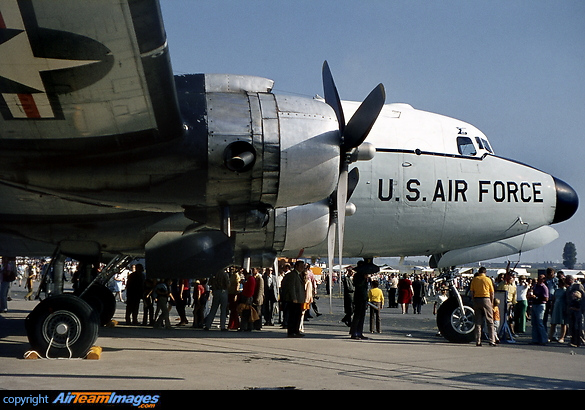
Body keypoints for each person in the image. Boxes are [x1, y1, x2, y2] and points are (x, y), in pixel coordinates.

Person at [350, 259, 379, 340]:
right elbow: (357, 285)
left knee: (362, 316)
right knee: (357, 316)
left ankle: (359, 332)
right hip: (358, 297)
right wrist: (363, 279)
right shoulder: (357, 276)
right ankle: (354, 333)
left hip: (363, 297)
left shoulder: (363, 276)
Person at [469, 267, 496, 346]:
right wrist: (491, 302)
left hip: (477, 299)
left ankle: (478, 340)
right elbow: (492, 293)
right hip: (485, 298)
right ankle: (491, 340)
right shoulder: (488, 280)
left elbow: (472, 291)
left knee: (478, 322)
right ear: (485, 272)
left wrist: (473, 300)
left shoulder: (475, 279)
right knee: (490, 321)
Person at [279, 260, 306, 337]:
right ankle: (292, 331)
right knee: (293, 316)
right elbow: (292, 287)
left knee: (297, 316)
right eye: (301, 266)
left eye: (303, 266)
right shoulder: (293, 275)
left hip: (298, 299)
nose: (302, 268)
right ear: (296, 266)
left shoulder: (299, 275)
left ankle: (296, 331)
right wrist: (294, 298)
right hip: (294, 300)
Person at [529, 274, 549, 345]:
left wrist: (536, 297)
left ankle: (544, 339)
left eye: (541, 279)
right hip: (535, 304)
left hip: (540, 305)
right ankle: (535, 339)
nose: (539, 280)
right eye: (539, 278)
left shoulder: (544, 288)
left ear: (544, 280)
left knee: (539, 322)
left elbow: (546, 298)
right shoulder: (535, 286)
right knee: (534, 323)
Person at [496, 270, 517, 335]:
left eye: (512, 278)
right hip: (501, 302)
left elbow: (514, 295)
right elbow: (498, 293)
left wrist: (513, 304)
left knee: (509, 318)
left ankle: (510, 332)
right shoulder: (502, 284)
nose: (511, 279)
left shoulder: (513, 286)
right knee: (501, 317)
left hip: (509, 303)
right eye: (510, 278)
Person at [548, 277, 567, 343]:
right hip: (556, 306)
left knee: (563, 323)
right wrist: (552, 307)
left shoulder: (565, 291)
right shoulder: (557, 290)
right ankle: (550, 337)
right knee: (553, 323)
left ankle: (562, 337)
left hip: (562, 307)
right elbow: (554, 299)